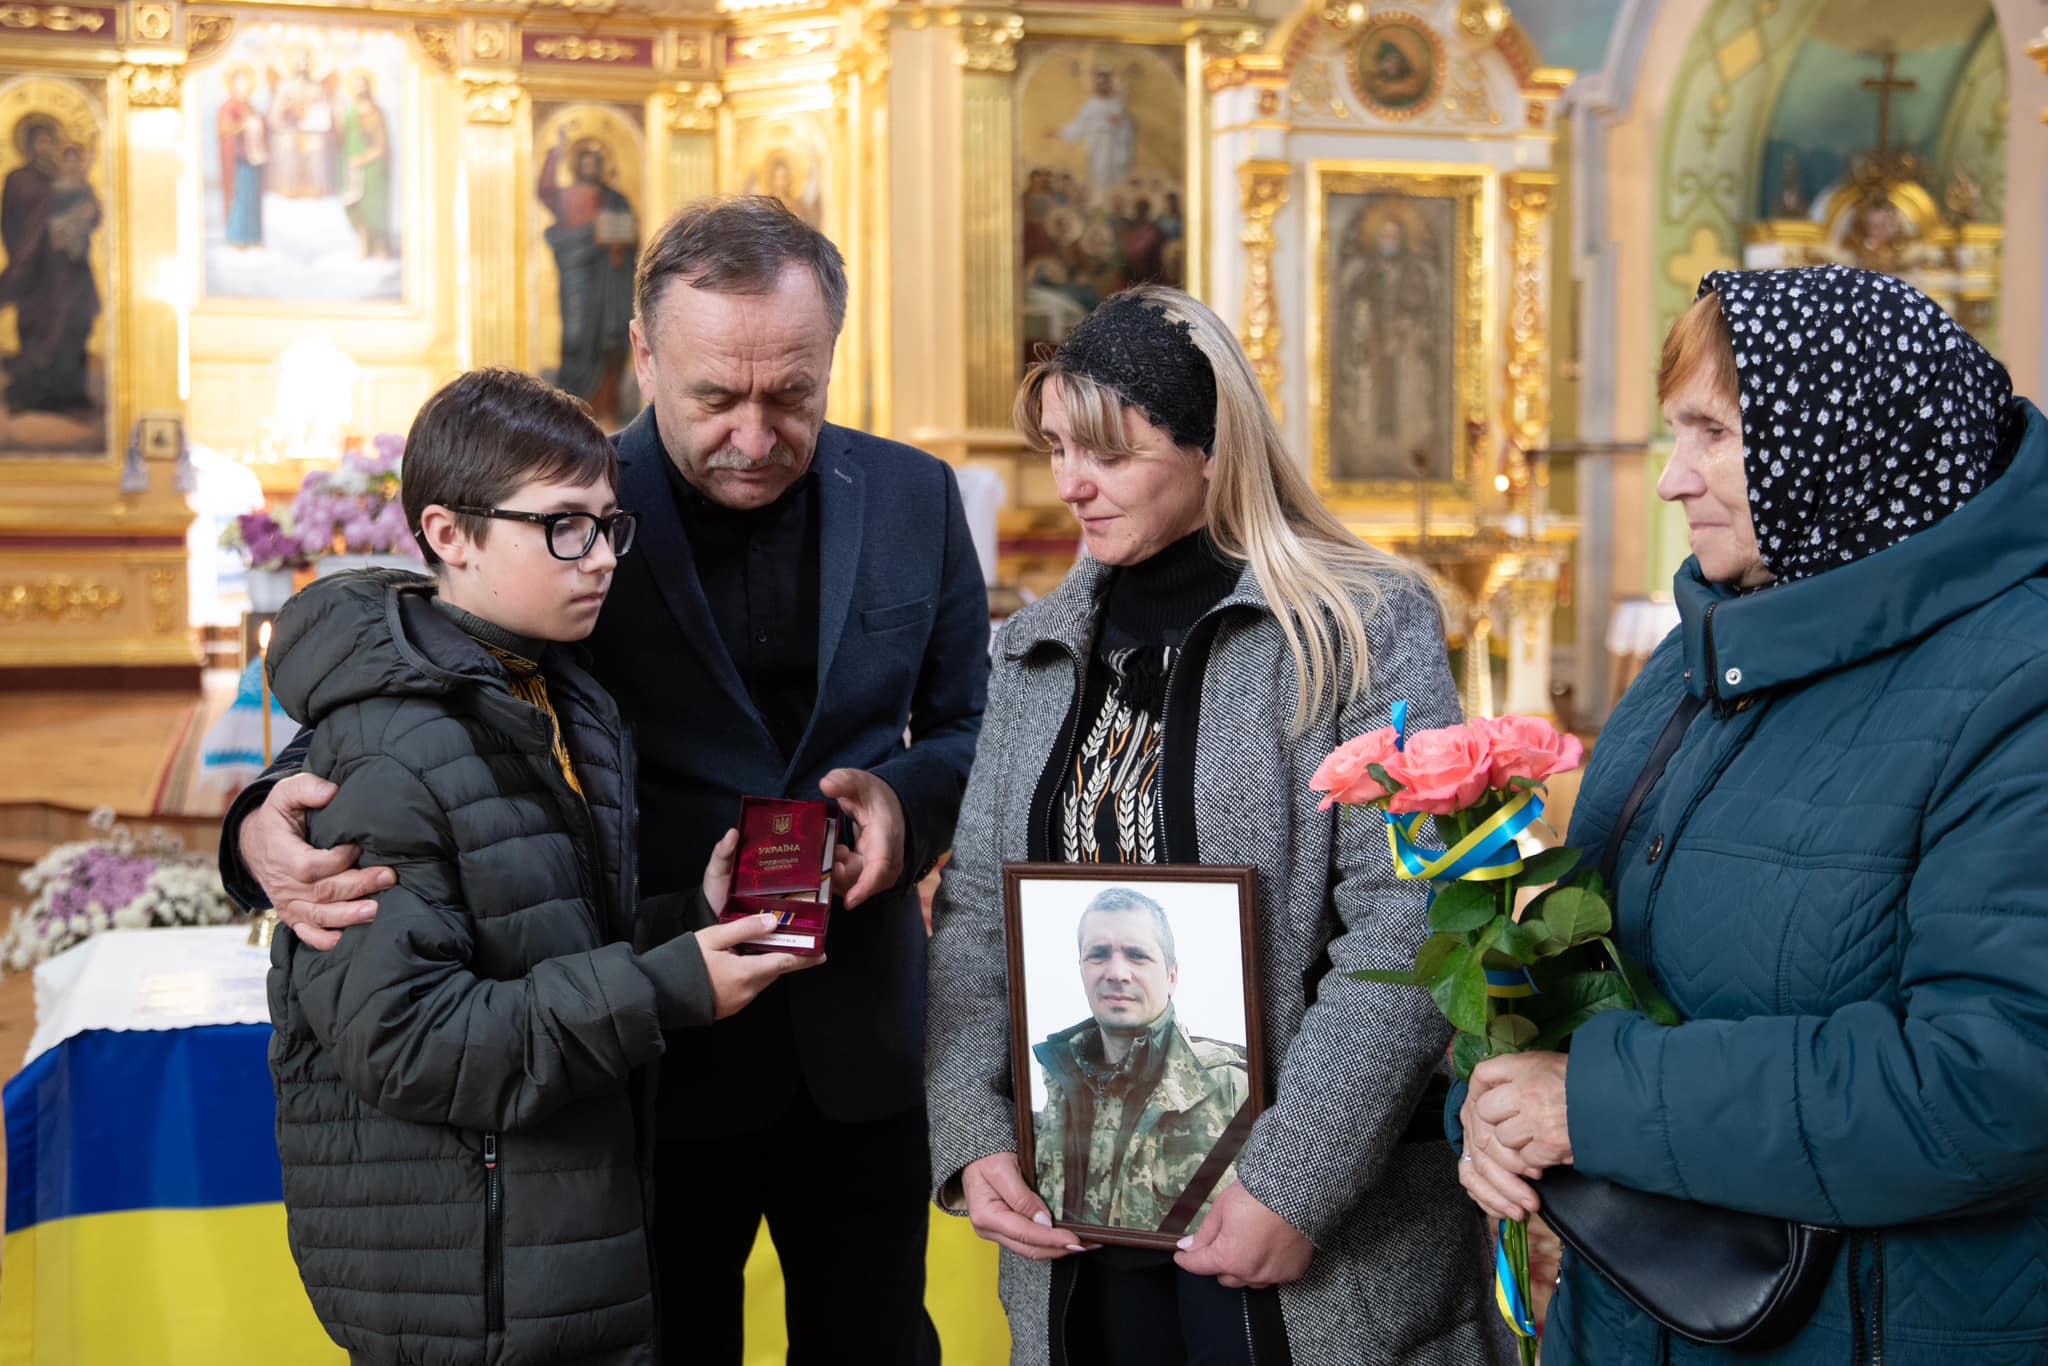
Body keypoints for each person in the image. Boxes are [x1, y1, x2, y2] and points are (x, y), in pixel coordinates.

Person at [222, 196, 989, 1366]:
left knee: (878, 1336)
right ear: (644, 354)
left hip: (858, 1033)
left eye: (791, 393)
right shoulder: (563, 506)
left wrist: (903, 802)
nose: (753, 430)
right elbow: (419, 671)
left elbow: (969, 722)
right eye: (713, 397)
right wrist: (252, 826)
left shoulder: (911, 497)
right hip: (636, 1052)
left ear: (834, 351)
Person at [1454, 265, 2048, 1364]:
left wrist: (1592, 1104)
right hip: (1636, 1313)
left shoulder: (2018, 682)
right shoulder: (1707, 647)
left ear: (1844, 438)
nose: (1674, 479)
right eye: (1671, 432)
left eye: (1712, 432)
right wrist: (1491, 1109)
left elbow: (1994, 1077)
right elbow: (1595, 962)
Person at [926, 285, 1498, 1365]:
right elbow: (973, 920)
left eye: (1107, 452)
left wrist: (1296, 1180)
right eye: (1053, 448)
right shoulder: (1034, 652)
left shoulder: (1360, 625)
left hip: (1306, 1234)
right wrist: (969, 1131)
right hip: (1083, 1225)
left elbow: (1412, 921)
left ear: (1210, 447)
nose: (1070, 485)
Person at [264, 367, 823, 1364]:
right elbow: (408, 1040)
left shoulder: (557, 694)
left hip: (548, 1241)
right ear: (448, 533)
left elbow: (536, 941)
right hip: (466, 1275)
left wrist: (679, 918)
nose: (600, 557)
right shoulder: (389, 748)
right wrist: (668, 985)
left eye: (611, 524)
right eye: (564, 526)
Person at [1032, 887, 1251, 1232]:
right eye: (1098, 955)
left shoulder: (1235, 1090)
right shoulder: (1054, 1089)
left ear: (1172, 976)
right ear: (1081, 970)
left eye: (1137, 955)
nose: (1117, 972)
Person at [0, 116, 101, 416]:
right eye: (40, 140)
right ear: (28, 145)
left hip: (68, 266)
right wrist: (25, 249)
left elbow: (89, 215)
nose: (46, 147)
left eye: (50, 140)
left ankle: (68, 393)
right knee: (38, 326)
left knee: (74, 322)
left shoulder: (64, 178)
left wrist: (88, 214)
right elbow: (10, 221)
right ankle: (29, 393)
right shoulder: (18, 178)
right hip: (34, 265)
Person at [538, 129, 636, 422]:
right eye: (586, 162)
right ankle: (570, 409)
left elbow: (630, 236)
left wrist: (619, 243)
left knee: (609, 341)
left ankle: (606, 407)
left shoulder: (615, 199)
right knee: (576, 338)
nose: (591, 168)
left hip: (610, 283)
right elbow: (545, 191)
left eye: (596, 162)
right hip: (577, 278)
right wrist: (555, 152)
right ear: (577, 165)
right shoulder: (566, 196)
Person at [217, 65, 267, 249]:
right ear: (233, 84)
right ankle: (237, 237)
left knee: (253, 198)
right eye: (240, 81)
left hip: (254, 157)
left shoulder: (251, 107)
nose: (244, 85)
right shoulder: (228, 107)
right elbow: (224, 129)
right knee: (240, 197)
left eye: (247, 81)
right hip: (239, 159)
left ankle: (253, 236)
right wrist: (242, 125)